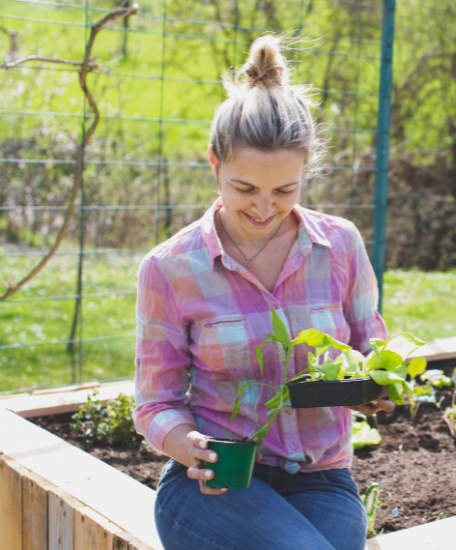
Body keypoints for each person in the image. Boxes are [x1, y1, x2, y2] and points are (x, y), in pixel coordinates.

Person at [133, 34, 393, 550]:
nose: (263, 208)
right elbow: (154, 403)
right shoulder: (169, 268)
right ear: (214, 164)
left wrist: (377, 388)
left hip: (321, 478)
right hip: (215, 482)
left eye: (285, 190)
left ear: (305, 171)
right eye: (245, 188)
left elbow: (370, 350)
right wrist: (192, 446)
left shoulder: (340, 245)